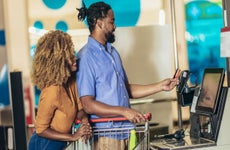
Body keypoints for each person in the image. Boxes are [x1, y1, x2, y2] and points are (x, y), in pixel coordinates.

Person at [76, 1, 180, 149]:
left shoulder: (112, 53)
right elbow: (88, 104)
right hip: (107, 136)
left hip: (125, 131)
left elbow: (126, 89)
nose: (115, 26)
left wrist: (161, 86)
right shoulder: (86, 57)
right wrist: (124, 111)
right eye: (111, 22)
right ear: (99, 23)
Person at [28, 30, 92, 150]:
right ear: (58, 62)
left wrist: (84, 121)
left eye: (73, 54)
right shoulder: (52, 91)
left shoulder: (71, 81)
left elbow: (80, 108)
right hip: (43, 144)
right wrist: (72, 136)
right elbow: (41, 129)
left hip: (59, 143)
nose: (75, 58)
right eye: (69, 57)